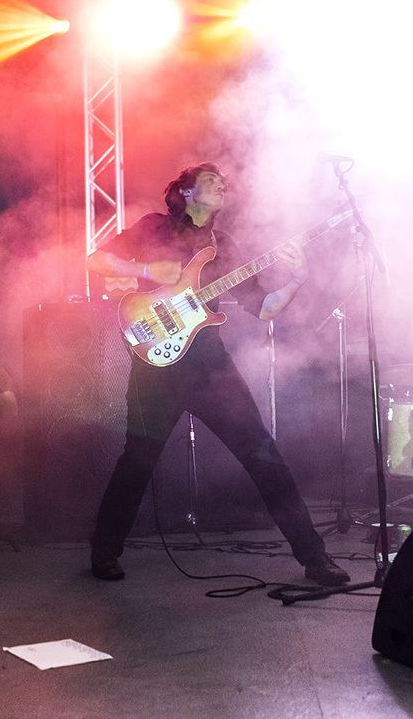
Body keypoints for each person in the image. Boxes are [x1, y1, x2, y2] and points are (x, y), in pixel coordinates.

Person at [85, 161, 350, 585]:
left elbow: (262, 307)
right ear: (187, 192)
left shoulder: (223, 245)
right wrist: (147, 271)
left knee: (263, 453)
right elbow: (96, 260)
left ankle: (314, 557)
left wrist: (298, 278)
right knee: (137, 460)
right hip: (159, 365)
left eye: (223, 181)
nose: (221, 185)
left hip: (210, 365)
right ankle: (103, 551)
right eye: (210, 181)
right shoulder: (154, 227)